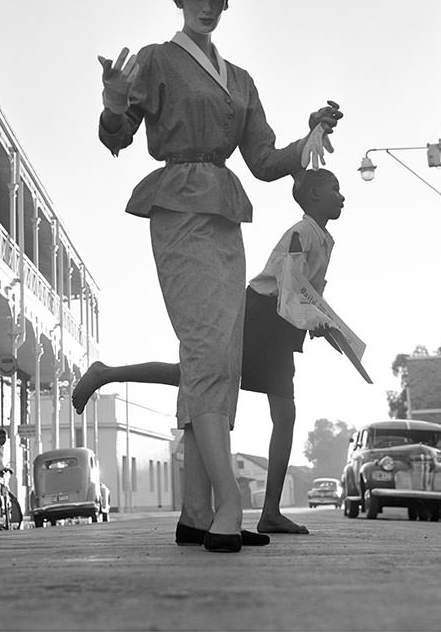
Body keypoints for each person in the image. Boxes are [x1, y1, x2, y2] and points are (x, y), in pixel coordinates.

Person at [95, 0, 343, 552]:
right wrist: (111, 104)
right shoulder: (154, 60)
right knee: (207, 345)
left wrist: (309, 135)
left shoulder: (240, 80)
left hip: (226, 218)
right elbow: (116, 138)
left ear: (228, 3)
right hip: (177, 207)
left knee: (221, 357)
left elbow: (264, 161)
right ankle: (231, 503)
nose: (208, 4)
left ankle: (194, 511)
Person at [73, 168, 344, 537]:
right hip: (261, 314)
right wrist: (313, 319)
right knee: (195, 376)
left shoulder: (325, 240)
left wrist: (325, 327)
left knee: (269, 407)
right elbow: (290, 286)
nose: (341, 196)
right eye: (334, 189)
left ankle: (271, 511)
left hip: (282, 325)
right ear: (312, 196)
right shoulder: (300, 233)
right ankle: (105, 373)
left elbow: (310, 296)